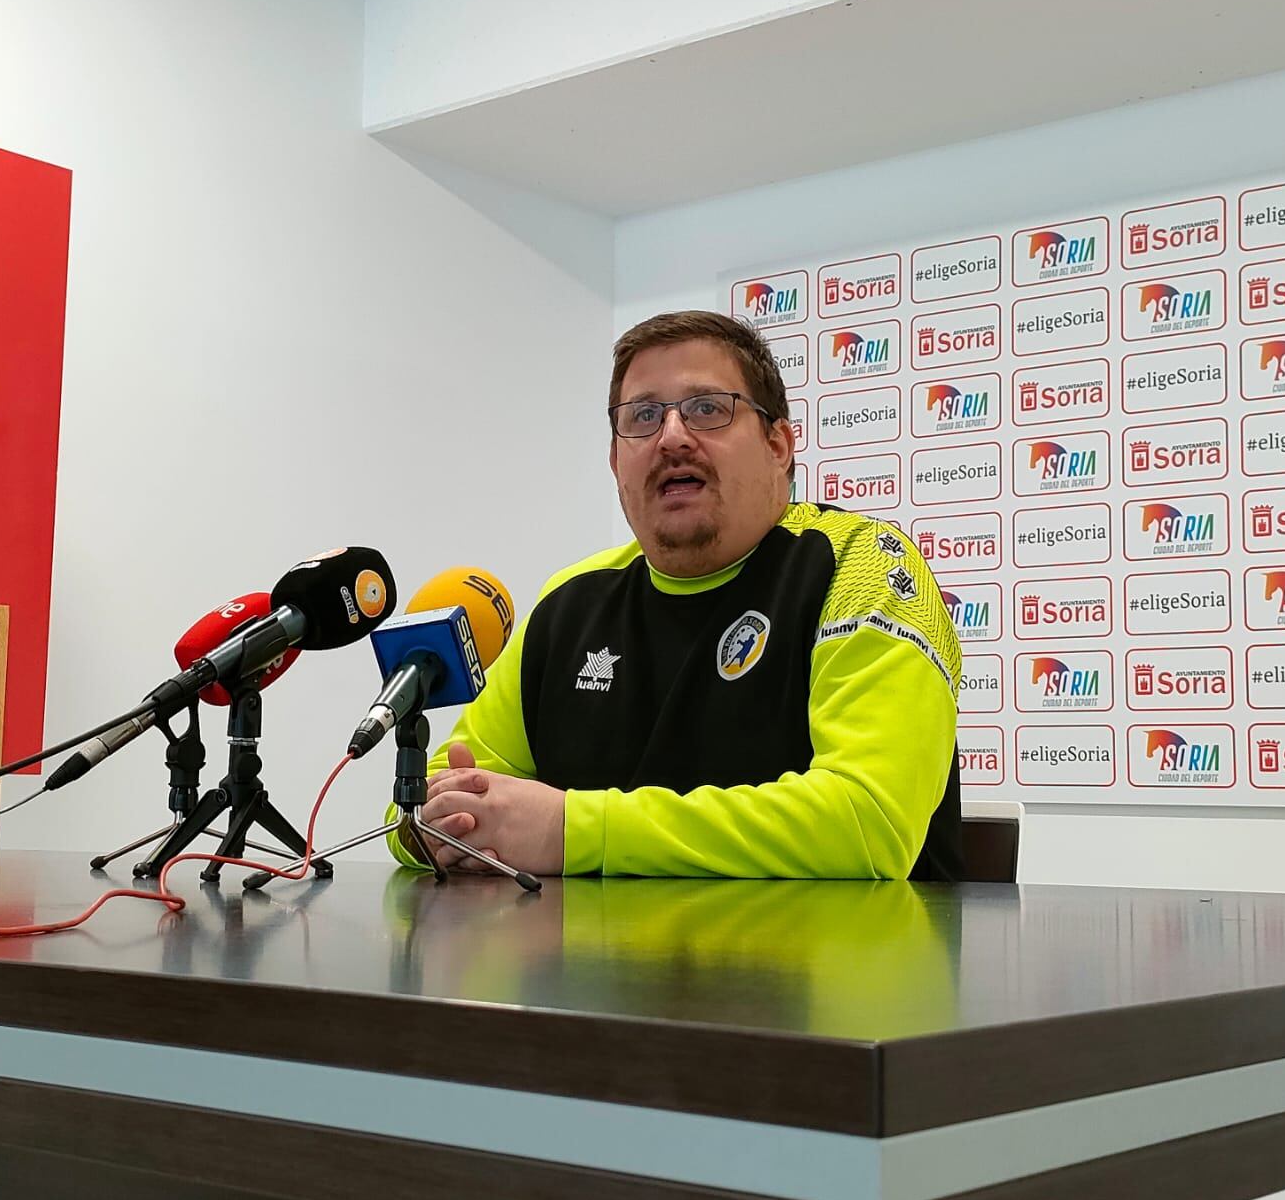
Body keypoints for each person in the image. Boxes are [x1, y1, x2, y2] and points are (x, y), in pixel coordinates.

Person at [391, 310, 963, 880]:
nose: (671, 437)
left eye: (707, 409)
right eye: (642, 417)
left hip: (828, 966)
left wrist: (573, 830)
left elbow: (867, 826)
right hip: (591, 967)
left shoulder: (861, 566)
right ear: (616, 461)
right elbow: (417, 809)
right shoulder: (570, 601)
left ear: (779, 444)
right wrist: (446, 831)